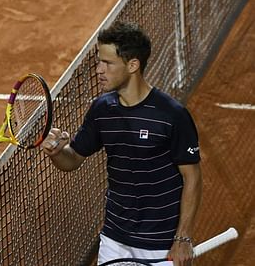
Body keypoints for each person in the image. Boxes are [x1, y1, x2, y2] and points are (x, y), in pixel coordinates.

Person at [42, 21, 202, 266]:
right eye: (99, 61)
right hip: (115, 237)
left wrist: (183, 238)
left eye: (107, 63)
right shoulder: (102, 110)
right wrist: (56, 152)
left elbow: (192, 178)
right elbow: (72, 158)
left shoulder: (172, 115)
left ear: (132, 65)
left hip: (159, 241)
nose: (99, 70)